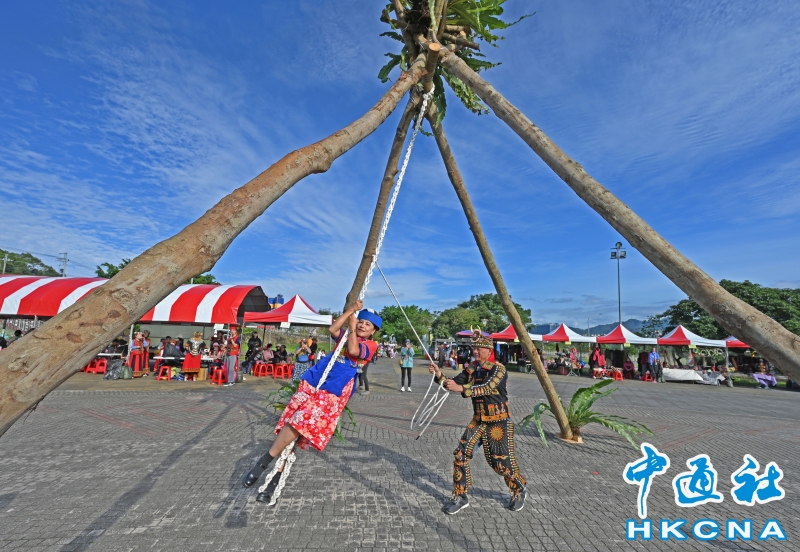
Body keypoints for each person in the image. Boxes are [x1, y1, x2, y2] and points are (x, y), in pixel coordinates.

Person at [242, 300, 380, 504]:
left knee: (300, 423)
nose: (362, 326)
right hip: (315, 378)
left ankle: (264, 462)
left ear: (373, 331)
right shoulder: (346, 334)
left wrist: (351, 328)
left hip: (333, 389)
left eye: (368, 325)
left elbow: (353, 351)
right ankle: (272, 482)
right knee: (292, 427)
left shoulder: (370, 345)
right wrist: (350, 311)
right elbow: (333, 329)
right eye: (361, 321)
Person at [428, 329, 527, 515]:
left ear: (489, 350)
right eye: (474, 347)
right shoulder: (472, 368)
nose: (474, 351)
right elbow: (452, 383)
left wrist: (461, 388)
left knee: (500, 464)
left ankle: (518, 488)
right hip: (478, 420)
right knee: (460, 455)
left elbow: (486, 388)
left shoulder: (499, 369)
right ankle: (460, 495)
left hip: (498, 422)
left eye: (478, 348)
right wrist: (439, 374)